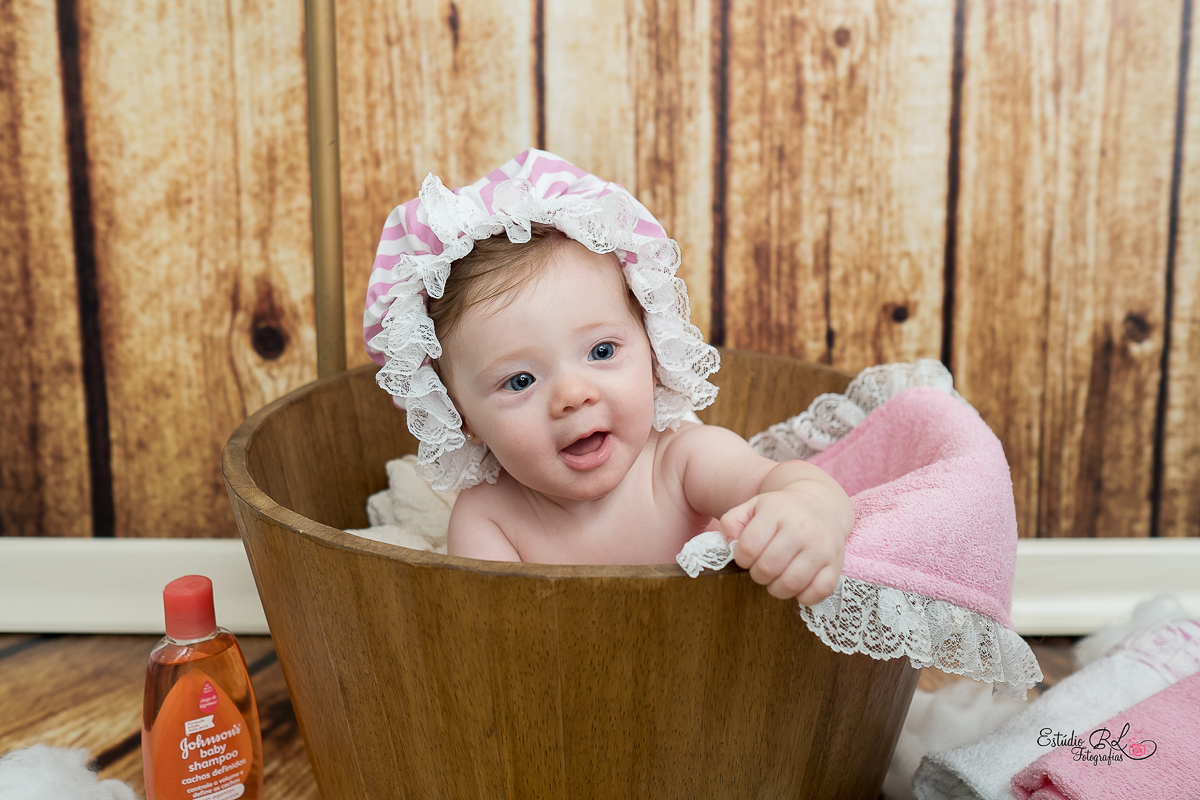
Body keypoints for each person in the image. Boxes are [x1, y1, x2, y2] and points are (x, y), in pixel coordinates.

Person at [363, 150, 852, 604]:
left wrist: (810, 510)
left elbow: (783, 480)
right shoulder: (489, 519)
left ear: (653, 347)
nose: (573, 396)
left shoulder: (681, 462)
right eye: (519, 381)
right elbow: (498, 649)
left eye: (601, 350)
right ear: (459, 414)